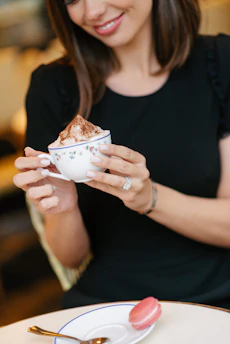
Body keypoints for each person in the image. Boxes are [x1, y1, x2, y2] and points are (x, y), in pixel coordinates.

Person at [13, 0, 230, 310]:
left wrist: (149, 197)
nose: (92, 12)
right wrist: (64, 208)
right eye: (72, 0)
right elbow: (70, 257)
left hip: (215, 298)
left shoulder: (220, 62)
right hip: (107, 306)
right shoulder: (53, 87)